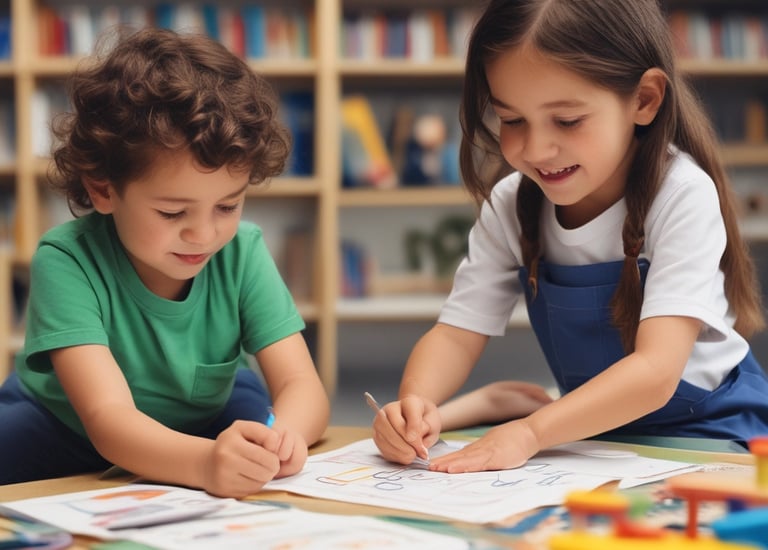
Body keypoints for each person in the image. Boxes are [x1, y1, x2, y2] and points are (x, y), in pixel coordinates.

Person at [372, 0, 768, 474]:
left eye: (567, 120)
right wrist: (413, 404)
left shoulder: (682, 195)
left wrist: (532, 431)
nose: (535, 148)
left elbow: (657, 373)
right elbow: (456, 335)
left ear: (643, 100)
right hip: (591, 433)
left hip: (711, 432)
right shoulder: (512, 203)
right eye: (512, 120)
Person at [0, 27, 330, 497]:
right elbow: (108, 420)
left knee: (257, 428)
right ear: (102, 189)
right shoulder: (66, 259)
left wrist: (286, 439)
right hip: (64, 425)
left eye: (228, 206)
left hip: (205, 413)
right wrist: (205, 463)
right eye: (173, 212)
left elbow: (301, 384)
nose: (204, 234)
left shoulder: (243, 250)